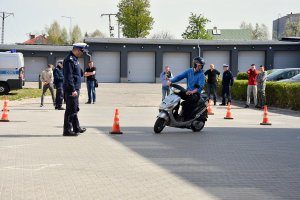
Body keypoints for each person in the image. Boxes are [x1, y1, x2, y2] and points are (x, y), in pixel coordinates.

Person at [168, 57, 205, 121]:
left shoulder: (201, 75)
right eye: (199, 66)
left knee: (189, 101)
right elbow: (179, 76)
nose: (200, 67)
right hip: (187, 92)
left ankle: (185, 117)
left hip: (196, 94)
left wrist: (192, 92)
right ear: (194, 64)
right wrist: (171, 81)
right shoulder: (189, 71)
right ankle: (175, 113)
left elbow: (200, 86)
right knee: (176, 95)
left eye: (201, 66)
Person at [62, 43, 88, 136]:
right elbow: (68, 76)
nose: (82, 53)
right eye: (82, 51)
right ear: (76, 49)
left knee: (74, 108)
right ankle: (67, 130)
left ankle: (76, 127)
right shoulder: (69, 60)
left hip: (76, 88)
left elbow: (77, 73)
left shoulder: (75, 59)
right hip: (71, 89)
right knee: (70, 110)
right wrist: (73, 89)